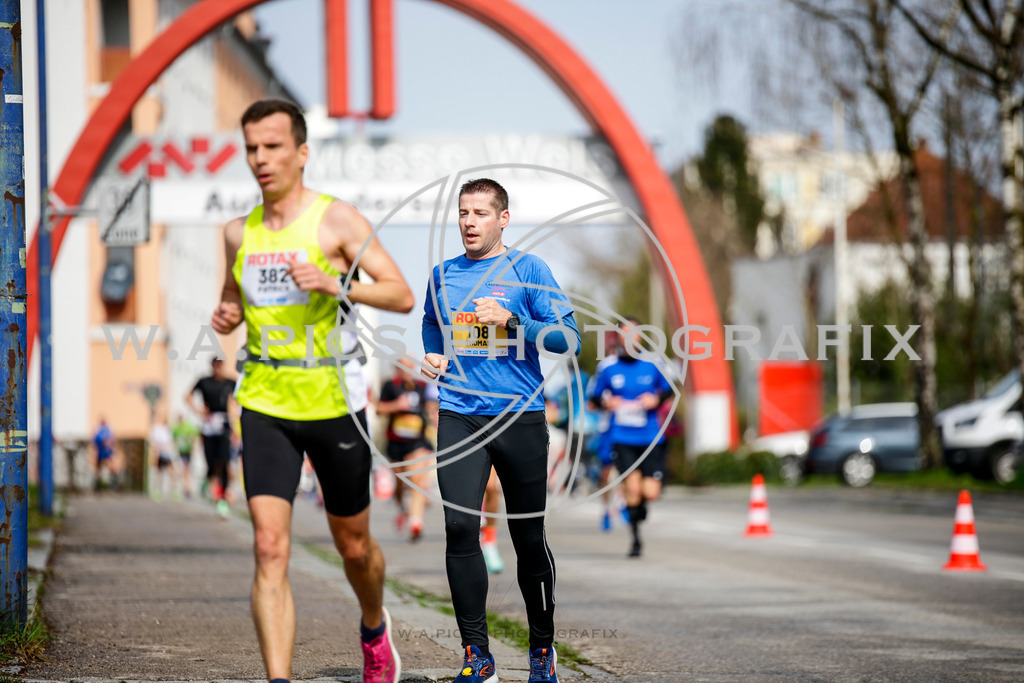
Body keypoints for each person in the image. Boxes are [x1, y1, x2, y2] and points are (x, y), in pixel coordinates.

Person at [209, 99, 414, 683]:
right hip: (265, 401)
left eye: (272, 146)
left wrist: (337, 281)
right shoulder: (236, 232)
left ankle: (374, 625)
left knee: (354, 548)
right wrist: (225, 316)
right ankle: (279, 678)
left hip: (333, 403)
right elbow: (231, 299)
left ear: (301, 152)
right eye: (251, 147)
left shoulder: (337, 221)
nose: (259, 159)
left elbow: (400, 294)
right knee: (270, 547)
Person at [421, 177, 579, 683]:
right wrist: (434, 348)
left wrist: (516, 322)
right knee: (461, 528)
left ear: (503, 218)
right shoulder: (441, 275)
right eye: (463, 213)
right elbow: (431, 321)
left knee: (527, 537)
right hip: (460, 412)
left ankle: (541, 651)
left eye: (480, 213)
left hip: (520, 416)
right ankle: (477, 654)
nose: (469, 222)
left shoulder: (530, 271)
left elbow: (568, 339)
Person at [589, 318, 674, 558]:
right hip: (621, 436)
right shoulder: (607, 366)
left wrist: (656, 400)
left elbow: (670, 389)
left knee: (650, 493)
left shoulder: (653, 361)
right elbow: (594, 399)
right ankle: (636, 540)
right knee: (633, 489)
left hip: (649, 437)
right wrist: (607, 402)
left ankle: (640, 511)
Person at [376, 357, 438, 542]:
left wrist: (434, 413)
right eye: (402, 366)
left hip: (418, 441)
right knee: (401, 484)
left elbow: (431, 405)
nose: (406, 369)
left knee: (417, 480)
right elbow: (379, 408)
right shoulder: (390, 385)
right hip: (396, 442)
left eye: (410, 366)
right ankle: (404, 510)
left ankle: (415, 521)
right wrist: (396, 406)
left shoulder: (421, 386)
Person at [185, 358, 236, 517]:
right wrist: (199, 411)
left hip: (224, 425)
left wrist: (235, 423)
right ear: (212, 366)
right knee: (211, 462)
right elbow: (187, 396)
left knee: (225, 461)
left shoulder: (230, 383)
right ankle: (209, 480)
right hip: (208, 426)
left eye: (221, 365)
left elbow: (237, 402)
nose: (218, 368)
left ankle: (223, 497)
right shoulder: (204, 382)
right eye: (216, 365)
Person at [149, 413, 181, 501]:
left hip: (169, 454)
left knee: (173, 472)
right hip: (160, 453)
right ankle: (156, 491)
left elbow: (170, 442)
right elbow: (154, 443)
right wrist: (155, 454)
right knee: (159, 473)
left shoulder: (167, 429)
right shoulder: (156, 429)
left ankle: (174, 491)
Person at [171, 414, 199, 498]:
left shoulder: (188, 427)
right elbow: (173, 439)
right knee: (181, 471)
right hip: (180, 453)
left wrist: (192, 444)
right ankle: (183, 489)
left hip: (187, 452)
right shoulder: (176, 429)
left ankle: (187, 489)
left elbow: (195, 435)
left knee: (186, 471)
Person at [92, 417, 118, 491]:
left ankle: (113, 485)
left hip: (107, 451)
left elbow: (112, 440)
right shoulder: (97, 429)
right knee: (98, 469)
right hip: (100, 451)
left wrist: (112, 450)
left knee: (112, 467)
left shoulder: (108, 429)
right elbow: (95, 441)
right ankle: (98, 486)